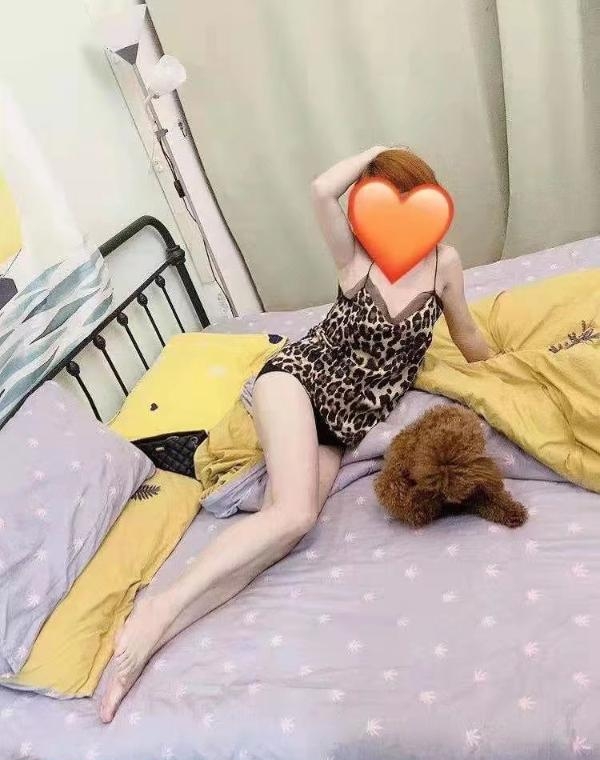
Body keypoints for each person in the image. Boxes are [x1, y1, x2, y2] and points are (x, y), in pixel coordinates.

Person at [99, 146, 492, 722]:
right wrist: (377, 153)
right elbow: (319, 189)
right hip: (297, 380)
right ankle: (158, 607)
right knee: (293, 514)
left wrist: (509, 375)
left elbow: (468, 335)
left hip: (342, 424)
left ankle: (154, 634)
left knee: (284, 531)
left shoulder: (443, 264)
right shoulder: (354, 257)